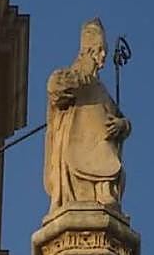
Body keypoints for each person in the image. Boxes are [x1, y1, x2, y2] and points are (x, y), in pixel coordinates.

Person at [43, 18, 132, 211]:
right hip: (75, 151)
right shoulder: (70, 76)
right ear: (88, 51)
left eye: (104, 54)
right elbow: (54, 89)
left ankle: (103, 193)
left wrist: (122, 125)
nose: (102, 60)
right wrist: (80, 77)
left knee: (108, 173)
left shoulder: (101, 91)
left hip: (101, 153)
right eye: (99, 52)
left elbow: (121, 118)